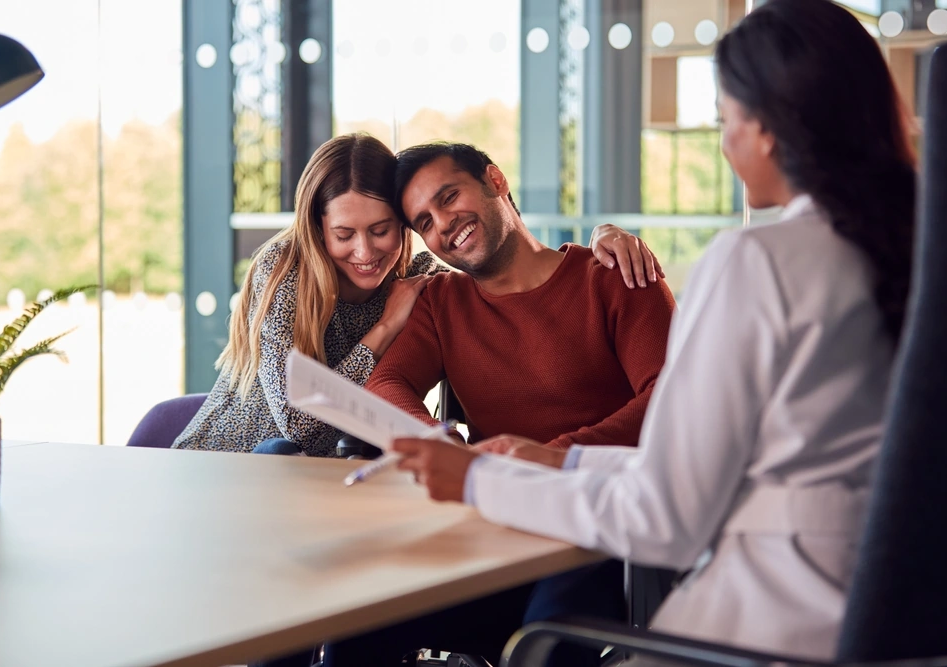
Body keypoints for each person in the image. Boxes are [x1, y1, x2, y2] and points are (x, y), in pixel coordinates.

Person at [392, 0, 916, 661]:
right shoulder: (922, 248)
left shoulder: (758, 261)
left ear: (769, 129)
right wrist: (567, 457)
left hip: (771, 625)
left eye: (726, 119)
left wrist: (475, 478)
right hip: (908, 622)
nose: (724, 143)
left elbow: (664, 517)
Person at [320, 144, 677, 667]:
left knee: (546, 645)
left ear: (496, 180)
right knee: (354, 624)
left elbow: (671, 404)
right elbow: (387, 381)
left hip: (599, 536)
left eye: (449, 197)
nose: (444, 224)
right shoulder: (441, 303)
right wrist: (436, 442)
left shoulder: (615, 275)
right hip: (492, 539)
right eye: (425, 221)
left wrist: (548, 458)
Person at [172, 133, 662, 457]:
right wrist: (439, 438)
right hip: (234, 463)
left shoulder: (425, 277)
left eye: (385, 229)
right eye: (344, 235)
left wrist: (607, 232)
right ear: (319, 231)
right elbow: (320, 415)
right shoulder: (287, 276)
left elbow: (675, 399)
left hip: (585, 500)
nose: (365, 251)